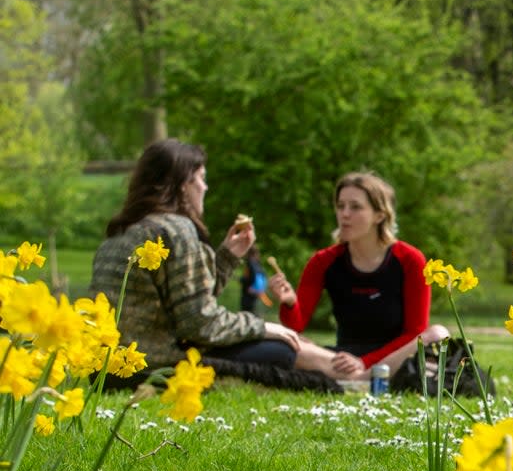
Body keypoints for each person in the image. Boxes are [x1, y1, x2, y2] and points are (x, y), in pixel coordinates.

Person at [89, 139, 347, 384]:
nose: (205, 187)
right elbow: (198, 323)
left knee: (285, 342)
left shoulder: (121, 232)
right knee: (281, 349)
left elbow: (183, 303)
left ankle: (353, 368)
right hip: (153, 366)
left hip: (107, 367)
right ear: (182, 185)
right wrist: (263, 327)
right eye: (201, 179)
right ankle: (359, 374)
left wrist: (227, 257)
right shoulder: (177, 229)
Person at [268, 171, 450, 379]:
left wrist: (365, 362)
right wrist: (290, 303)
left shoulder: (410, 259)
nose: (344, 214)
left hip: (394, 357)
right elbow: (296, 326)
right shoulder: (323, 261)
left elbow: (415, 332)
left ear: (379, 215)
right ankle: (365, 380)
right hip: (341, 359)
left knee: (438, 335)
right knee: (284, 341)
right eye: (340, 206)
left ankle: (363, 379)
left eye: (355, 207)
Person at [240, 245, 268, 315]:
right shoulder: (259, 263)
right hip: (257, 292)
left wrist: (242, 280)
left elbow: (249, 277)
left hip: (249, 293)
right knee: (254, 313)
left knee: (246, 314)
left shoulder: (250, 263)